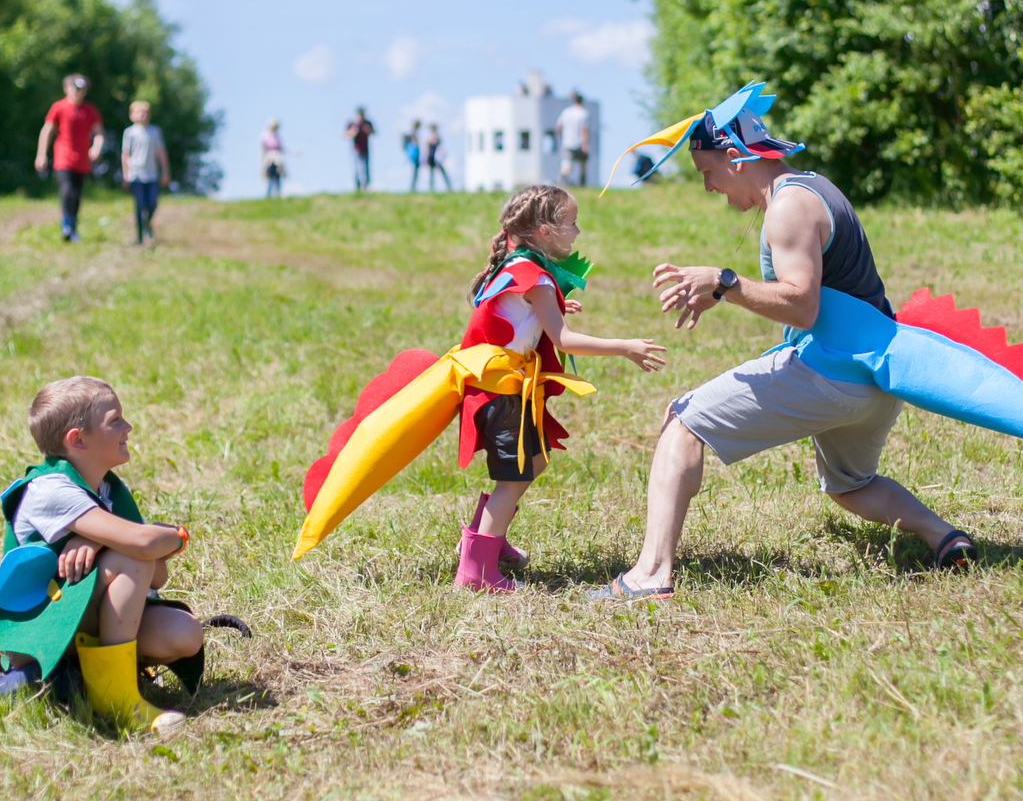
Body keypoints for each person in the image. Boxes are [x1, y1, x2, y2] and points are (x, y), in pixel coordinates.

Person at [588, 86, 977, 602]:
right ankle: (944, 537)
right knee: (850, 485)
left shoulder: (788, 208)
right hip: (879, 382)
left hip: (833, 375)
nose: (708, 188)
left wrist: (725, 281)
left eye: (707, 173)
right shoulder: (810, 187)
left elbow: (802, 306)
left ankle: (651, 574)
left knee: (682, 423)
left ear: (734, 157)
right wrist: (721, 294)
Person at [295, 185, 667, 590]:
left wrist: (553, 304)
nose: (577, 232)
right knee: (515, 476)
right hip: (502, 393)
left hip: (493, 389)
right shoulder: (535, 275)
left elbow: (514, 310)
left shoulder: (515, 265)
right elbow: (563, 340)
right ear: (544, 231)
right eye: (571, 223)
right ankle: (477, 572)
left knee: (534, 460)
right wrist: (625, 347)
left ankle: (487, 536)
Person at [8, 376, 202, 732]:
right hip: (42, 627)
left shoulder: (107, 489)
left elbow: (158, 576)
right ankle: (116, 697)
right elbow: (144, 547)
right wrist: (171, 536)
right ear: (77, 439)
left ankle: (91, 675)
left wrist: (101, 540)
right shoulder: (51, 490)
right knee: (130, 556)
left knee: (186, 634)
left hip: (82, 616)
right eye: (115, 420)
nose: (128, 427)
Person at [35, 75, 104, 242]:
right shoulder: (58, 107)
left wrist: (96, 147)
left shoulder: (90, 110)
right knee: (67, 190)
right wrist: (41, 154)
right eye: (75, 88)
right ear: (66, 88)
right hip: (63, 158)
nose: (78, 92)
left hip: (82, 161)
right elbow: (47, 131)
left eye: (82, 89)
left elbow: (99, 133)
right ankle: (66, 224)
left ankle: (73, 227)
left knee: (77, 194)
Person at [120, 101, 170, 246]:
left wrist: (165, 171)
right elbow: (125, 154)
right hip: (135, 174)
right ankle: (140, 236)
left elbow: (161, 152)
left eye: (145, 113)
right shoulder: (129, 133)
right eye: (138, 112)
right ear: (131, 115)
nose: (142, 115)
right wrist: (125, 174)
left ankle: (147, 223)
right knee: (139, 205)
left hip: (152, 175)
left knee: (152, 203)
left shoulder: (155, 132)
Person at [555, 92, 591, 187]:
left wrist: (562, 138)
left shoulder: (566, 112)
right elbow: (584, 130)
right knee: (582, 166)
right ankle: (581, 185)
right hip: (579, 144)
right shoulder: (583, 113)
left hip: (567, 143)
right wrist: (585, 145)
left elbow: (558, 127)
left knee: (566, 166)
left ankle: (561, 184)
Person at [345, 107, 376, 192]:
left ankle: (365, 187)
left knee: (365, 169)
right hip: (355, 149)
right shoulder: (352, 123)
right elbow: (345, 134)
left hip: (365, 149)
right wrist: (353, 132)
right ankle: (357, 187)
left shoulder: (367, 123)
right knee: (355, 169)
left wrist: (368, 130)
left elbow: (374, 133)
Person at [424, 122, 453, 192]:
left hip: (438, 158)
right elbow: (426, 148)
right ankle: (431, 188)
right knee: (431, 174)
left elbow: (441, 147)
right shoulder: (429, 137)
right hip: (431, 158)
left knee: (443, 172)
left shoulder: (438, 137)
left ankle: (448, 187)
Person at [261, 119, 285, 198]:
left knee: (278, 178)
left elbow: (281, 149)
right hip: (269, 160)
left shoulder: (277, 137)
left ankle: (278, 195)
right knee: (270, 178)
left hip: (277, 160)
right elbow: (263, 150)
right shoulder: (265, 136)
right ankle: (268, 196)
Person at [402, 119, 423, 192]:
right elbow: (415, 143)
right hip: (414, 155)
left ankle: (413, 187)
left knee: (415, 172)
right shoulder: (413, 133)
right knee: (414, 172)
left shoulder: (413, 133)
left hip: (415, 155)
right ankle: (412, 188)